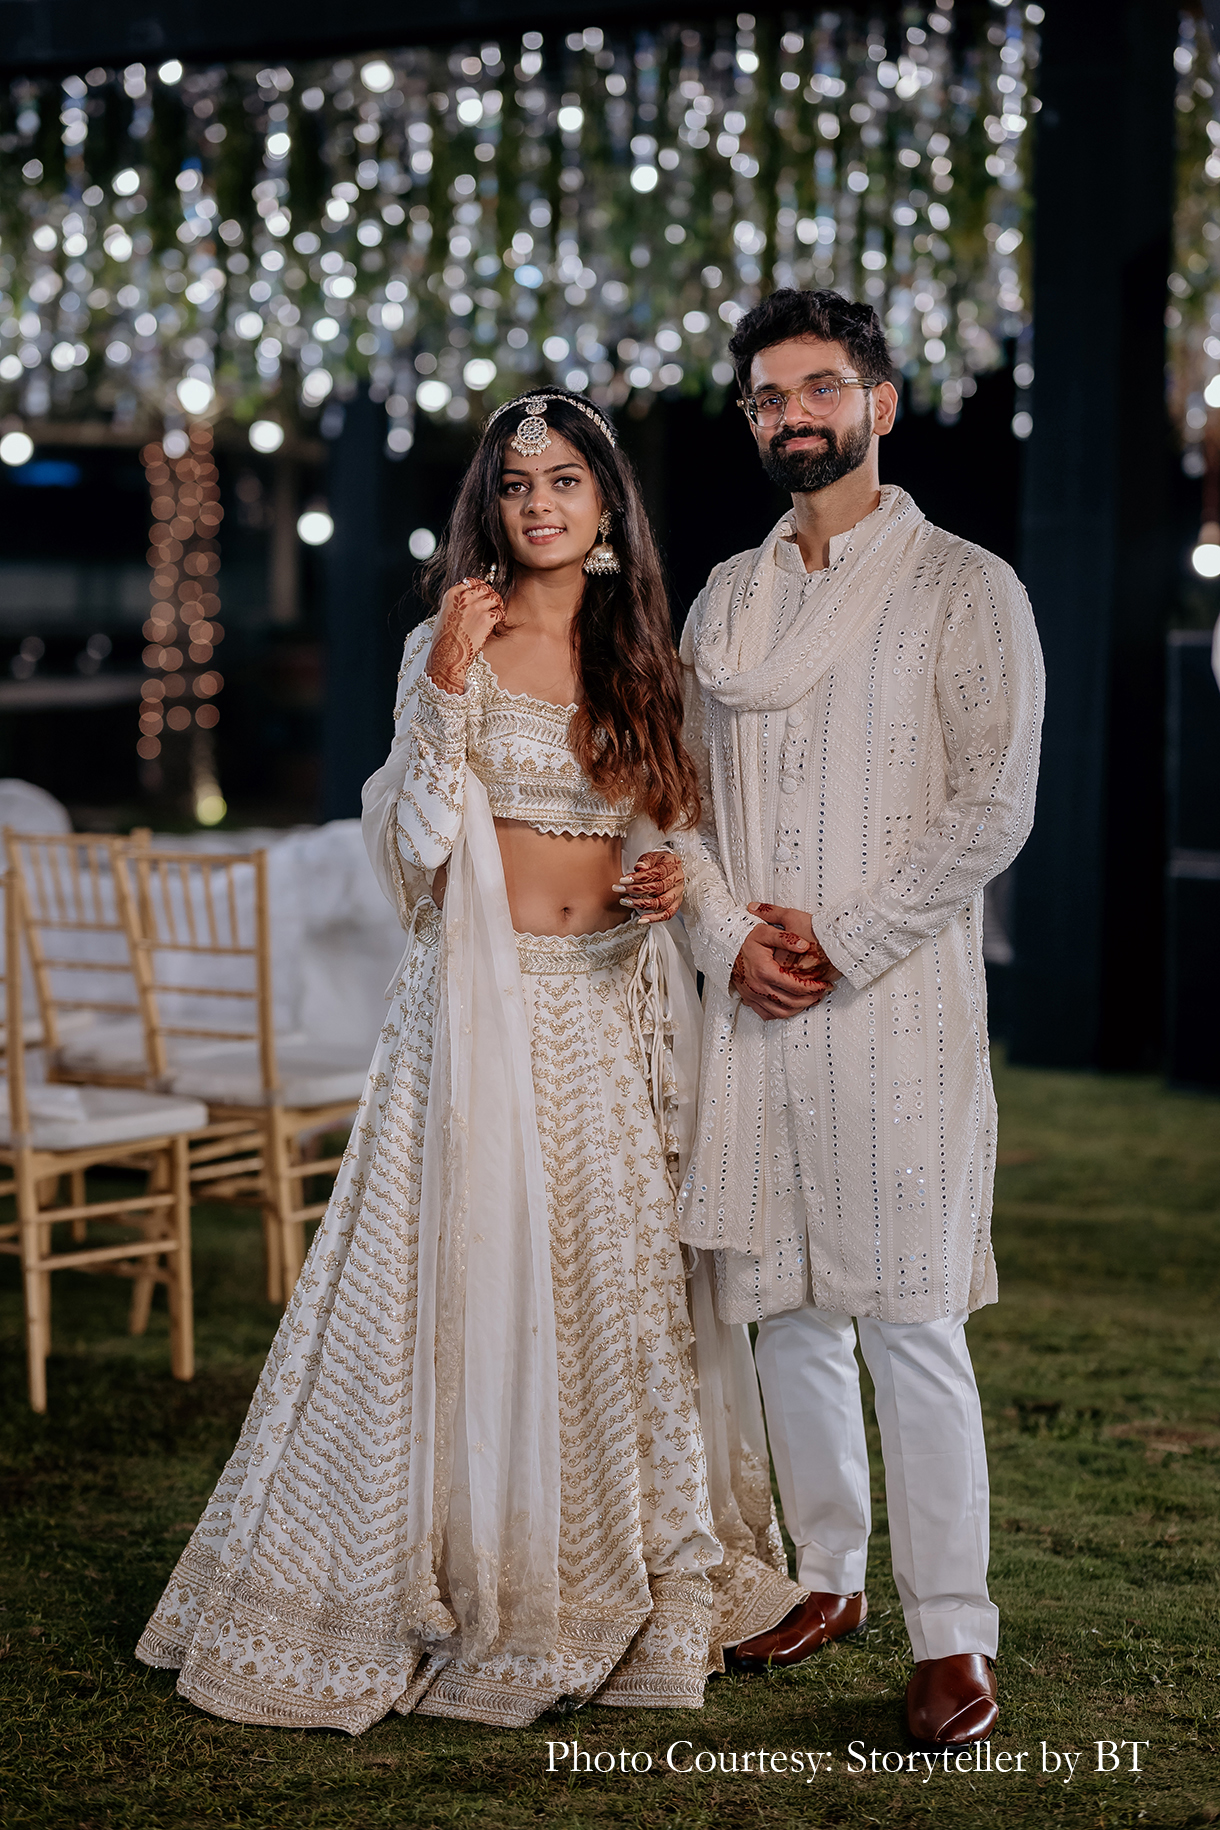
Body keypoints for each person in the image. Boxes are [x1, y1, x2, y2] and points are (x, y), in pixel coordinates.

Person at [136, 389, 802, 1734]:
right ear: (489, 509)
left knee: (610, 1288)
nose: (538, 504)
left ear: (607, 506)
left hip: (606, 1011)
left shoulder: (643, 660)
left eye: (564, 481)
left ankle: (616, 1561)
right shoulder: (451, 641)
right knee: (467, 1275)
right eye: (514, 485)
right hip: (475, 1016)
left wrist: (669, 879)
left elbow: (673, 829)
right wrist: (444, 679)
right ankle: (456, 1567)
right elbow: (417, 848)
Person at [671, 292, 1044, 1748]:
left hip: (891, 1005)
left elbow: (992, 808)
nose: (793, 415)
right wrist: (728, 939)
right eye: (769, 396)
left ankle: (954, 1634)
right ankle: (827, 1576)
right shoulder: (724, 599)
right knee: (787, 1309)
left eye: (820, 387)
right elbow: (679, 802)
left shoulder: (966, 587)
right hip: (755, 1006)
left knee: (909, 1317)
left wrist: (839, 940)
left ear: (881, 402)